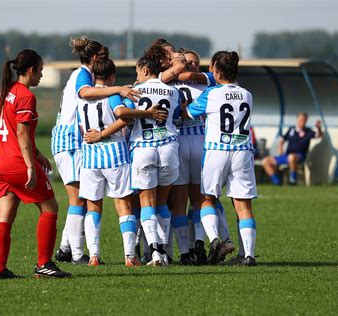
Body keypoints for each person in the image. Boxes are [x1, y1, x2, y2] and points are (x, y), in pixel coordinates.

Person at [51, 36, 140, 265]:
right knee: (84, 201)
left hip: (87, 146)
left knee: (88, 201)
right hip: (74, 141)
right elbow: (86, 94)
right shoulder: (84, 76)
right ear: (94, 58)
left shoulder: (88, 81)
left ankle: (68, 249)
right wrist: (118, 90)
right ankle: (80, 254)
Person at [78, 53, 167, 266]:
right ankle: (129, 257)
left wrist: (95, 135)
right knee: (123, 205)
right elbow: (124, 116)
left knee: (93, 207)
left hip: (90, 155)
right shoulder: (113, 94)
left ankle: (93, 256)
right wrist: (147, 113)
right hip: (114, 153)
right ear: (112, 76)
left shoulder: (83, 98)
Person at [0, 49, 71, 279]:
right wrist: (29, 166)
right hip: (17, 164)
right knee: (50, 208)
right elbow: (22, 133)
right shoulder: (26, 95)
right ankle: (44, 264)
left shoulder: (6, 92)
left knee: (4, 215)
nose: (42, 76)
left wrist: (37, 155)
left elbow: (13, 132)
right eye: (41, 71)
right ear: (31, 70)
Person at [182, 51, 258, 266]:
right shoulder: (247, 94)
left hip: (217, 150)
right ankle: (248, 256)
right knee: (243, 206)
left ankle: (215, 240)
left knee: (207, 198)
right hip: (243, 151)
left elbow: (188, 113)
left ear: (215, 70)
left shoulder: (212, 93)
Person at [123, 46, 181, 266]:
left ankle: (155, 253)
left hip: (143, 147)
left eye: (138, 71)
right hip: (168, 146)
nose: (136, 76)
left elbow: (126, 116)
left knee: (147, 202)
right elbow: (176, 116)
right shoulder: (172, 91)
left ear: (146, 70)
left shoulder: (136, 90)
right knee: (163, 203)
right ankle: (164, 252)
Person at [262, 112, 322, 185]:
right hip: (286, 156)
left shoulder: (308, 131)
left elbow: (319, 136)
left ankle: (292, 180)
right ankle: (276, 181)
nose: (302, 122)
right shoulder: (291, 129)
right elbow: (282, 139)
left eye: (304, 120)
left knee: (291, 157)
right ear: (297, 119)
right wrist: (280, 147)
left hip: (299, 156)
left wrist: (318, 128)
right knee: (265, 161)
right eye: (300, 120)